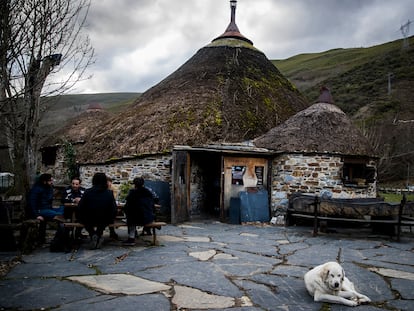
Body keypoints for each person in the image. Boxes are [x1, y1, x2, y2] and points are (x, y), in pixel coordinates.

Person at [76, 172, 117, 249]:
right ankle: (98, 235)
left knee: (84, 219)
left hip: (89, 218)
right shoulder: (109, 193)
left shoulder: (87, 192)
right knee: (104, 219)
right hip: (104, 218)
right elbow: (114, 208)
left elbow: (80, 207)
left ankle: (92, 234)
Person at [27, 173, 65, 243]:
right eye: (50, 180)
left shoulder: (49, 188)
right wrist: (37, 215)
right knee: (55, 213)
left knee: (63, 208)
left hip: (49, 209)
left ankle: (58, 216)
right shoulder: (36, 189)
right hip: (40, 210)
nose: (51, 182)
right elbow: (32, 203)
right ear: (44, 181)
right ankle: (57, 216)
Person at [123, 177, 158, 245]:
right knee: (136, 214)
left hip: (135, 219)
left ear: (134, 184)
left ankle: (131, 238)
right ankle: (146, 231)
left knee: (130, 217)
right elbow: (153, 204)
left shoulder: (132, 193)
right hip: (148, 218)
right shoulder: (148, 192)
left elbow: (127, 207)